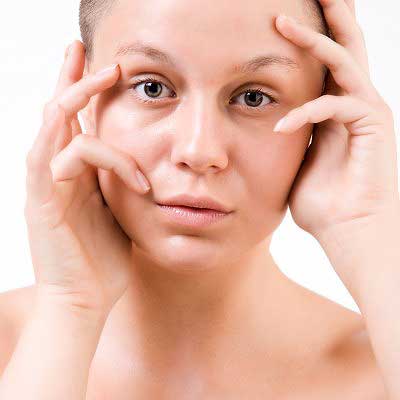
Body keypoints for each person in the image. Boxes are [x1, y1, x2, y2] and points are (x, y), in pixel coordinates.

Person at [0, 0, 398, 398]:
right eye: (151, 87)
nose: (199, 150)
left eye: (254, 98)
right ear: (81, 95)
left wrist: (368, 229)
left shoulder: (381, 366)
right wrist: (68, 308)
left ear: (324, 115)